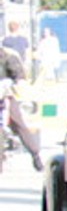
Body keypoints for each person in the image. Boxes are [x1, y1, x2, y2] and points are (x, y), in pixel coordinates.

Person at [0, 42, 42, 171]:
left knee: (19, 123)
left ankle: (35, 155)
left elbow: (19, 75)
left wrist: (15, 82)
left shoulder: (7, 56)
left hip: (4, 96)